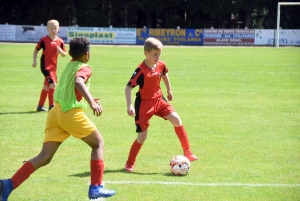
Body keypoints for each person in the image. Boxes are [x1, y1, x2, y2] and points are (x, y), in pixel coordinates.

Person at [0, 37, 116, 200]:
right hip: (70, 114)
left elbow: (70, 88)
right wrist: (91, 102)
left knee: (44, 157)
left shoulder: (69, 66)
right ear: (87, 55)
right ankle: (96, 188)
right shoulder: (85, 67)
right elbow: (78, 82)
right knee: (98, 144)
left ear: (69, 53)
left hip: (56, 113)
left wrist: (84, 99)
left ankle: (9, 184)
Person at [124, 37, 197, 172]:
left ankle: (187, 151)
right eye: (154, 54)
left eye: (159, 54)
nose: (157, 57)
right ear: (146, 53)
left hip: (159, 100)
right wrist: (129, 105)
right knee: (142, 136)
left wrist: (169, 89)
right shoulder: (140, 70)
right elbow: (128, 87)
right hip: (144, 104)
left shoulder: (161, 64)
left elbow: (163, 74)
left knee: (177, 120)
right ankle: (129, 163)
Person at [32, 19, 67, 112]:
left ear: (58, 29)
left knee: (46, 87)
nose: (54, 30)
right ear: (47, 29)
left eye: (55, 28)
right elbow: (36, 50)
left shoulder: (60, 41)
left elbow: (65, 54)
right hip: (45, 66)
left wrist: (61, 51)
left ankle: (40, 106)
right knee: (53, 84)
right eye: (51, 28)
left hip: (53, 67)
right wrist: (34, 61)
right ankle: (52, 106)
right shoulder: (44, 40)